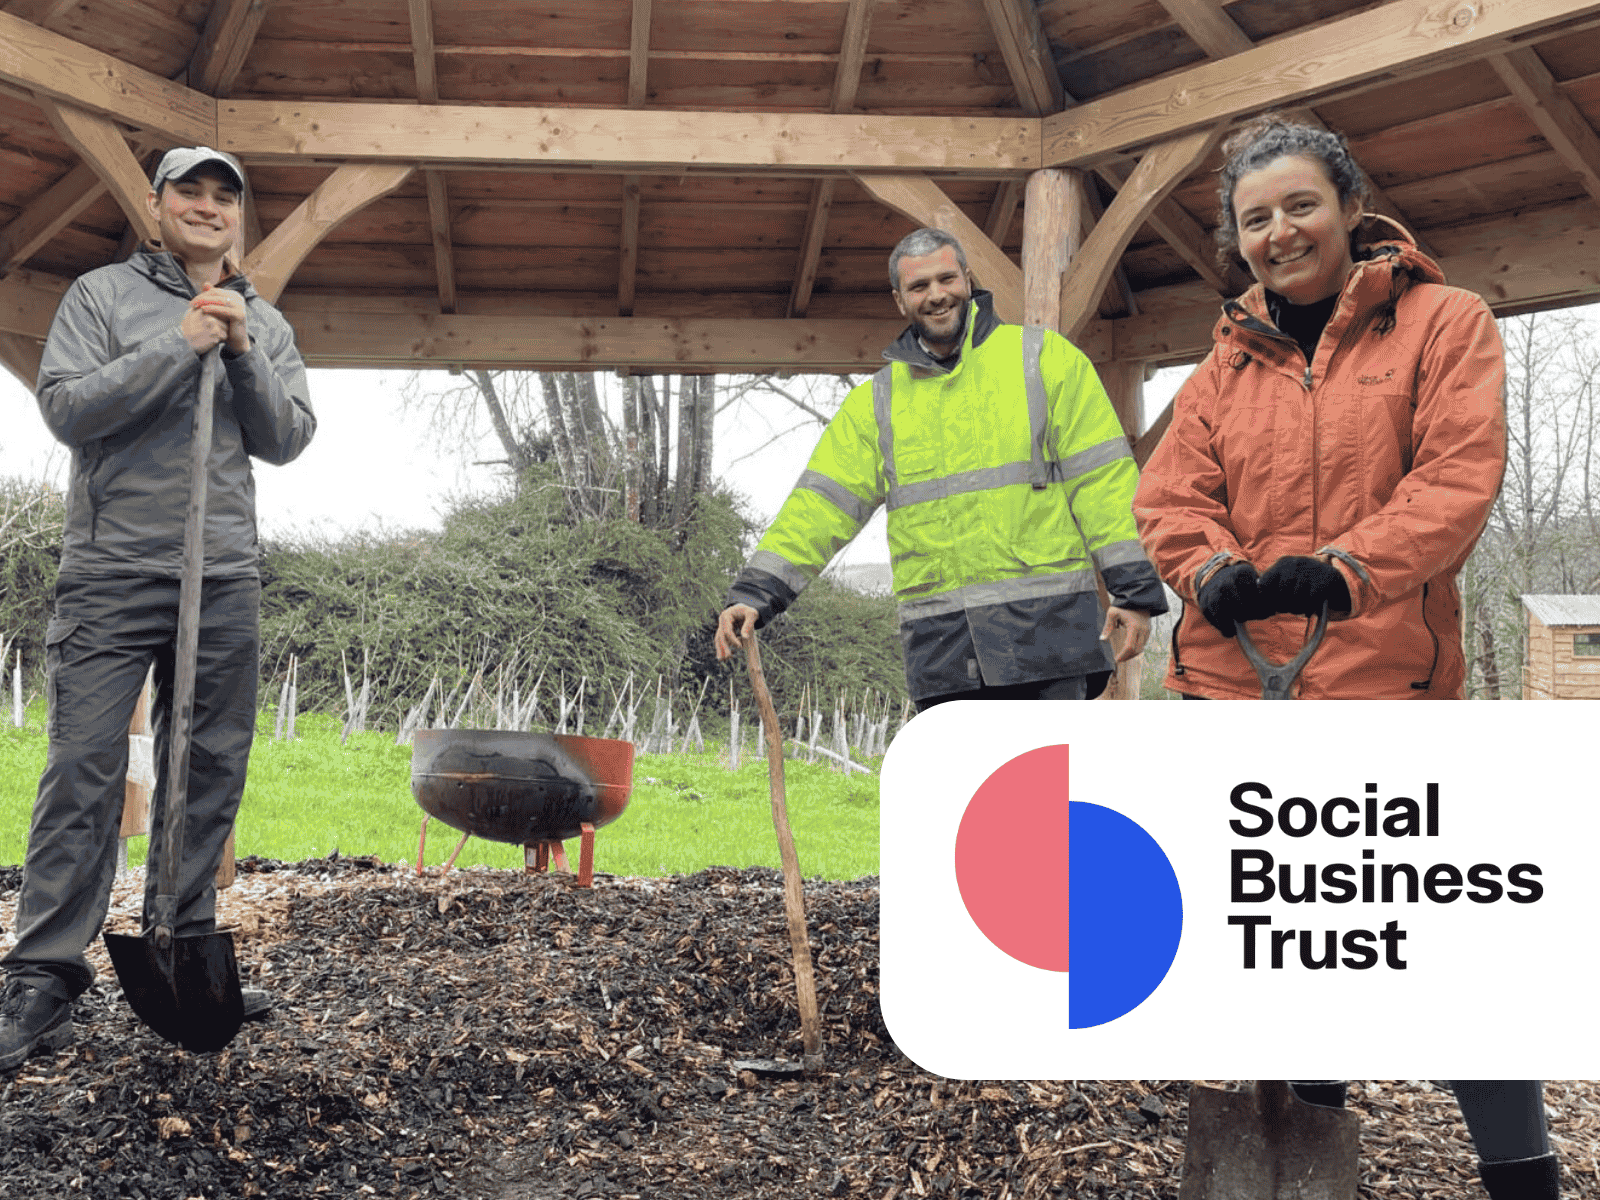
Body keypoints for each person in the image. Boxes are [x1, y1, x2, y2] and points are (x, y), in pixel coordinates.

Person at [0, 146, 316, 1068]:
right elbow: (67, 407)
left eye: (226, 196)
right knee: (84, 771)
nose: (209, 206)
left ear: (240, 216)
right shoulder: (99, 298)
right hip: (112, 569)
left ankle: (181, 946)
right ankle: (43, 974)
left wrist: (244, 349)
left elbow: (287, 436)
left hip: (222, 576)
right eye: (192, 190)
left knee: (208, 765)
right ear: (157, 202)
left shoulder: (266, 321)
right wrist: (178, 343)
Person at [1133, 115, 1506, 700]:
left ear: (1351, 206)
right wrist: (1208, 568)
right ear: (1241, 240)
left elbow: (1456, 479)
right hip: (1226, 688)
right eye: (1256, 220)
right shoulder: (1221, 366)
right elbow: (1168, 499)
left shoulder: (1446, 322)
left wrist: (1346, 572)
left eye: (1301, 206)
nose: (1280, 233)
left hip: (1382, 686)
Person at [714, 227, 1167, 708]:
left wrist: (1134, 591)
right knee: (960, 788)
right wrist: (757, 593)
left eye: (946, 278)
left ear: (968, 279)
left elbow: (1105, 482)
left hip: (1048, 643)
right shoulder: (877, 403)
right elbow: (819, 508)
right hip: (945, 655)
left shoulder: (1044, 360)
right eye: (918, 286)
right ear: (899, 300)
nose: (936, 295)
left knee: (1045, 788)